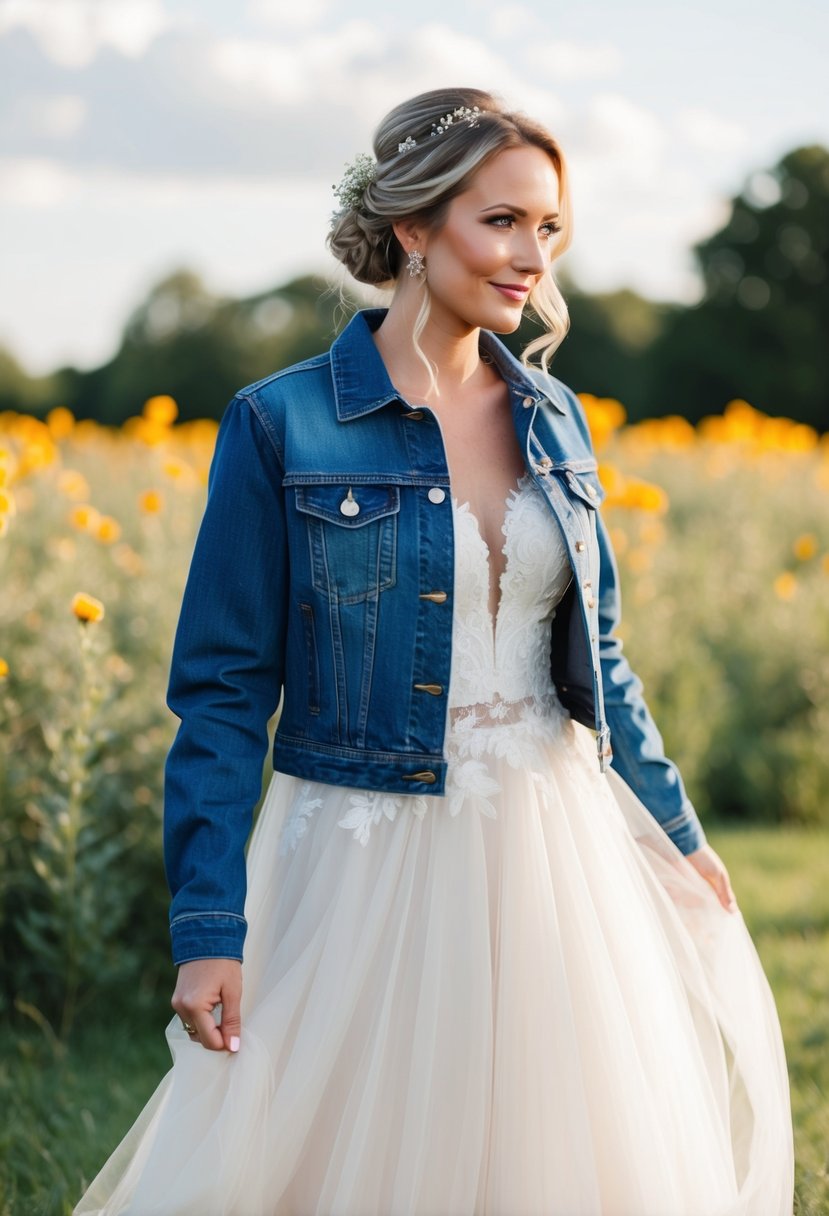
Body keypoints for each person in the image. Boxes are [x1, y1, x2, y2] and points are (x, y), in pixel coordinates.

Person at [75, 86, 794, 1215]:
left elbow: (597, 659)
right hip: (359, 850)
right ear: (412, 227)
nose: (531, 259)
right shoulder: (280, 422)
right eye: (500, 221)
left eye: (547, 228)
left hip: (555, 848)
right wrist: (208, 927)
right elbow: (220, 693)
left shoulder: (555, 417)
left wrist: (678, 830)